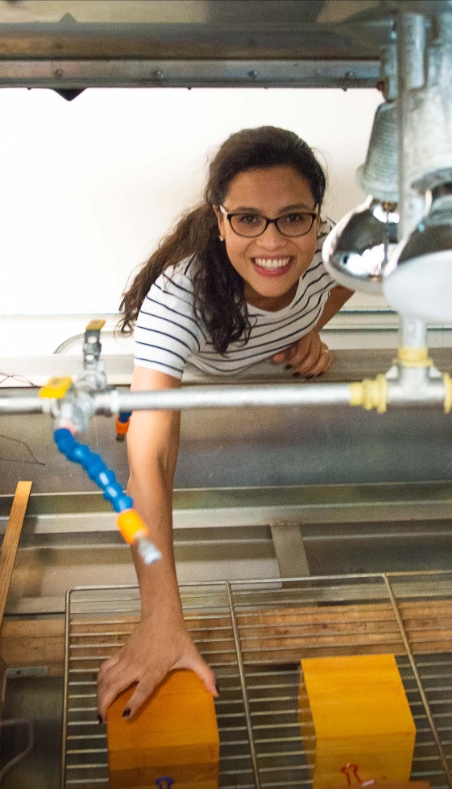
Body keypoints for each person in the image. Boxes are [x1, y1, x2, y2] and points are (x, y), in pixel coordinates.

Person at [96, 126, 353, 722]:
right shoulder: (178, 297)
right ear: (219, 220)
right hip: (196, 375)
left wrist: (310, 325)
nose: (273, 242)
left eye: (293, 219)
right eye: (247, 219)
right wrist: (161, 621)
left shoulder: (339, 249)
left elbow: (353, 277)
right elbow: (148, 460)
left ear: (317, 220)